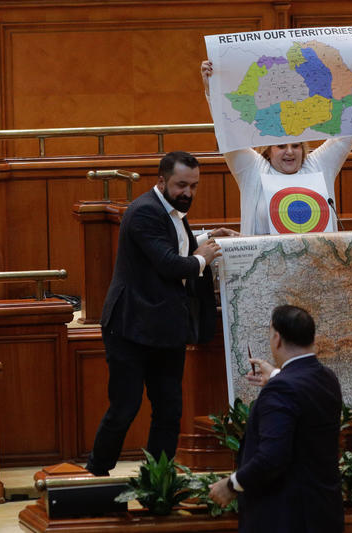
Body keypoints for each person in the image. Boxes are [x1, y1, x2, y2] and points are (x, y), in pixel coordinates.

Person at [86, 151, 234, 476]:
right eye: (181, 185)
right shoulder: (144, 211)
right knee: (125, 408)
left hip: (165, 327)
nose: (188, 193)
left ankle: (157, 481)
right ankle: (96, 475)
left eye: (194, 186)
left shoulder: (171, 210)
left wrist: (208, 239)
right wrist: (203, 257)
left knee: (169, 410)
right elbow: (169, 263)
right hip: (130, 327)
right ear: (162, 181)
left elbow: (175, 244)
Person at [200, 58, 352, 235]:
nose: (289, 152)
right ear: (268, 151)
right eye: (281, 146)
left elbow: (347, 130)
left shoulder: (318, 165)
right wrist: (211, 89)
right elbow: (228, 131)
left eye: (296, 145)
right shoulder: (253, 169)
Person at [208, 305, 344, 533]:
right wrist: (275, 375)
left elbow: (272, 458)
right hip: (323, 514)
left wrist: (232, 485)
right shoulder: (327, 378)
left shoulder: (281, 389)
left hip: (285, 519)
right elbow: (301, 393)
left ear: (277, 338)